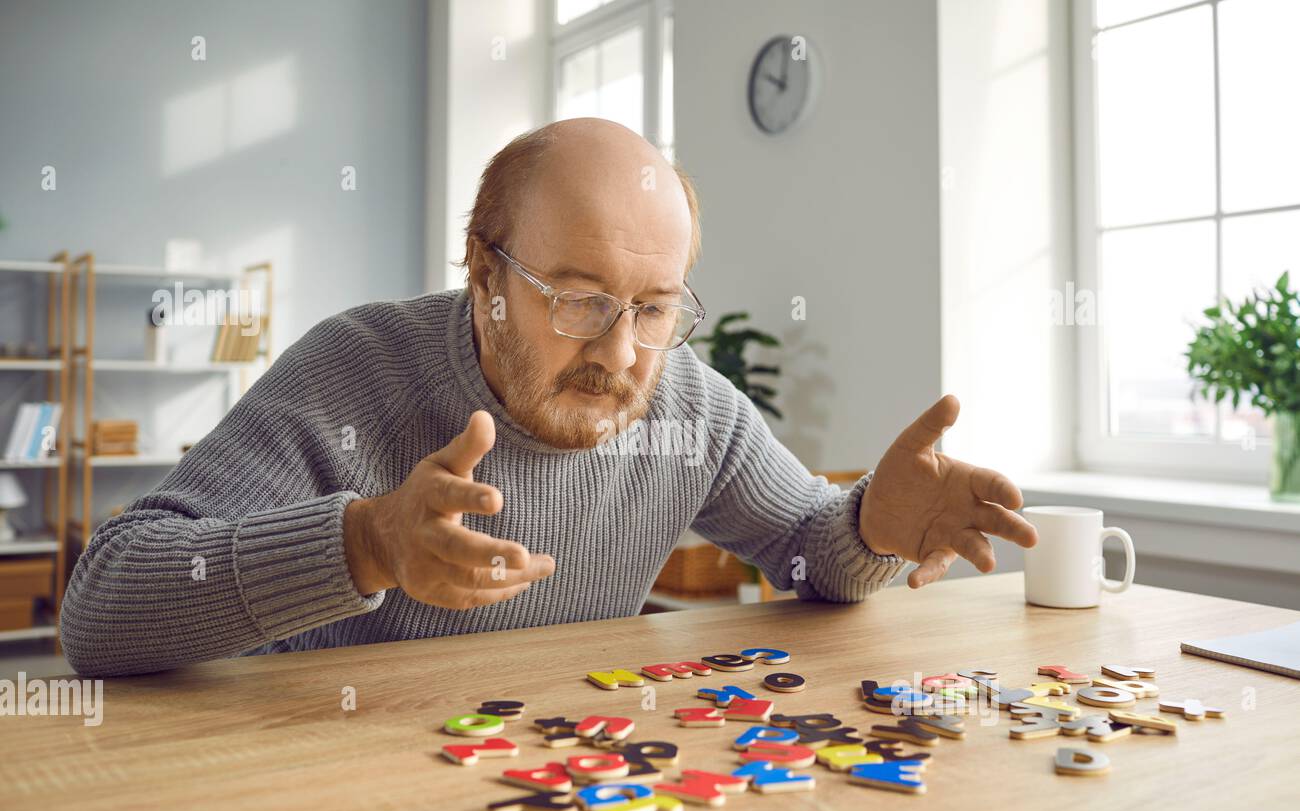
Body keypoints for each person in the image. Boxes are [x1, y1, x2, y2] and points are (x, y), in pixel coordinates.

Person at [60, 118, 1036, 677]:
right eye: (577, 299)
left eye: (653, 308)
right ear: (486, 272)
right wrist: (366, 545)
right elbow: (101, 608)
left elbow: (807, 554)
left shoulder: (687, 406)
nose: (619, 351)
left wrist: (871, 526)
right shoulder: (351, 370)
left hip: (566, 791)